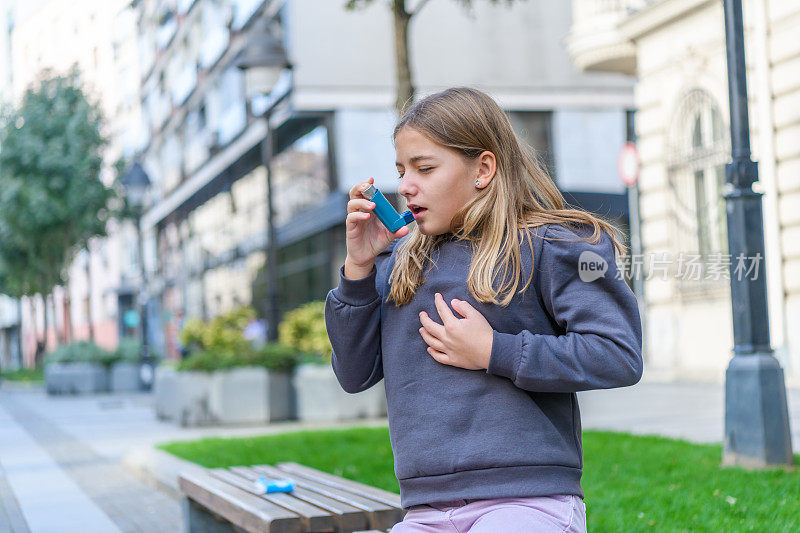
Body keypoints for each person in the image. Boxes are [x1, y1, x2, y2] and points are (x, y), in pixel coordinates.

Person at [324, 87, 643, 532]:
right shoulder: (397, 263)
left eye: (425, 168)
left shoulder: (559, 244)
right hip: (426, 509)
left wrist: (495, 350)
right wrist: (357, 269)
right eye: (401, 170)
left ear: (484, 168)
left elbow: (617, 354)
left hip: (528, 501)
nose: (406, 185)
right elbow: (353, 374)